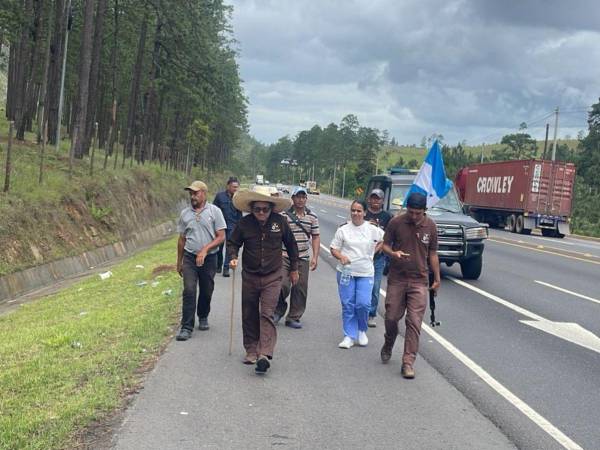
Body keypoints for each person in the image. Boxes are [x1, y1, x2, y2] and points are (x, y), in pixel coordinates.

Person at [227, 190, 300, 375]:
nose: (261, 213)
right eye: (257, 209)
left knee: (267, 313)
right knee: (249, 312)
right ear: (251, 209)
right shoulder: (244, 224)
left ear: (271, 209)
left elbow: (292, 245)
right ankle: (251, 349)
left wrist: (294, 269)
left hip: (272, 276)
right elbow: (232, 243)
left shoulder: (280, 222)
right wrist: (233, 256)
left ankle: (264, 354)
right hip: (250, 276)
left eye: (265, 209)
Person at [380, 192, 441, 379]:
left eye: (418, 213)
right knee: (391, 317)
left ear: (425, 211)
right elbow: (384, 245)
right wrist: (394, 253)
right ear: (407, 209)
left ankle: (408, 362)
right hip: (397, 278)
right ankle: (389, 341)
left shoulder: (430, 226)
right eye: (411, 212)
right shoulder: (396, 223)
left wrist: (437, 278)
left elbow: (432, 254)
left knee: (414, 322)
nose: (414, 216)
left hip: (419, 281)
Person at [176, 181, 226, 341]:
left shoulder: (214, 212)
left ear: (204, 193)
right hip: (190, 257)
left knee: (206, 289)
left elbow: (221, 236)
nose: (193, 196)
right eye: (191, 193)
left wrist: (205, 249)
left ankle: (203, 315)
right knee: (189, 290)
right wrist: (179, 261)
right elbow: (181, 239)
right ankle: (186, 326)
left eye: (196, 193)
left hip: (209, 258)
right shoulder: (185, 214)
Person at [330, 200, 384, 349]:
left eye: (359, 211)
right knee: (348, 304)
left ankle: (361, 330)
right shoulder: (343, 229)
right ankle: (349, 335)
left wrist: (374, 251)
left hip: (365, 273)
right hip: (346, 272)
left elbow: (384, 240)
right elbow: (334, 248)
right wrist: (341, 257)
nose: (356, 213)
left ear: (365, 213)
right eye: (353, 210)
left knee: (363, 303)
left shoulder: (372, 229)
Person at [274, 186, 320, 329]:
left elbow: (315, 237)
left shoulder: (312, 217)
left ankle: (294, 316)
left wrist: (315, 257)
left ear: (306, 199)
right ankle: (278, 310)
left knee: (300, 287)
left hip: (302, 257)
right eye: (298, 197)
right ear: (292, 198)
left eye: (303, 197)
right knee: (282, 285)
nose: (300, 200)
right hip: (284, 255)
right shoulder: (284, 215)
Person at [365, 188, 393, 328]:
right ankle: (359, 311)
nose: (375, 201)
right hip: (362, 257)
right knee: (360, 285)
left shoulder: (388, 217)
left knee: (375, 287)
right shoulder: (364, 213)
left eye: (378, 199)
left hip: (378, 259)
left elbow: (387, 239)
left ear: (382, 201)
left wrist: (375, 252)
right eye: (373, 198)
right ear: (369, 199)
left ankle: (371, 314)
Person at [213, 177, 242, 278]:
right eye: (234, 187)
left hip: (232, 226)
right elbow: (214, 210)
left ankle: (226, 268)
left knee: (230, 248)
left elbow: (240, 213)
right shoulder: (219, 196)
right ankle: (219, 265)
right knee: (219, 247)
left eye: (237, 187)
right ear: (228, 186)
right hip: (220, 226)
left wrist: (240, 227)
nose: (235, 189)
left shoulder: (238, 198)